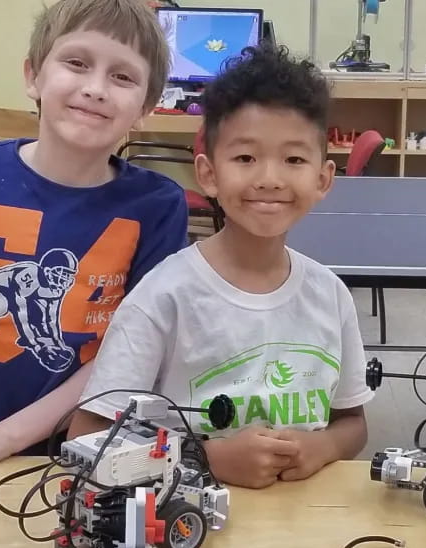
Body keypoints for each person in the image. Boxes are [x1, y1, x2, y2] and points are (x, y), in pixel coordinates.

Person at [0, 0, 188, 475]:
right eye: (77, 63)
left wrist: (7, 439)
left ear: (146, 107)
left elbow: (133, 354)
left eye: (123, 77)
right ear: (33, 76)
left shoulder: (159, 206)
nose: (95, 89)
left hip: (99, 458)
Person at [67, 42, 372, 489]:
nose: (269, 177)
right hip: (186, 528)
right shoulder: (163, 296)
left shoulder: (330, 295)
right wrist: (206, 457)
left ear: (323, 178)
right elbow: (88, 437)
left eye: (294, 159)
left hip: (299, 528)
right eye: (246, 158)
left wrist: (321, 447)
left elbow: (353, 424)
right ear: (208, 174)